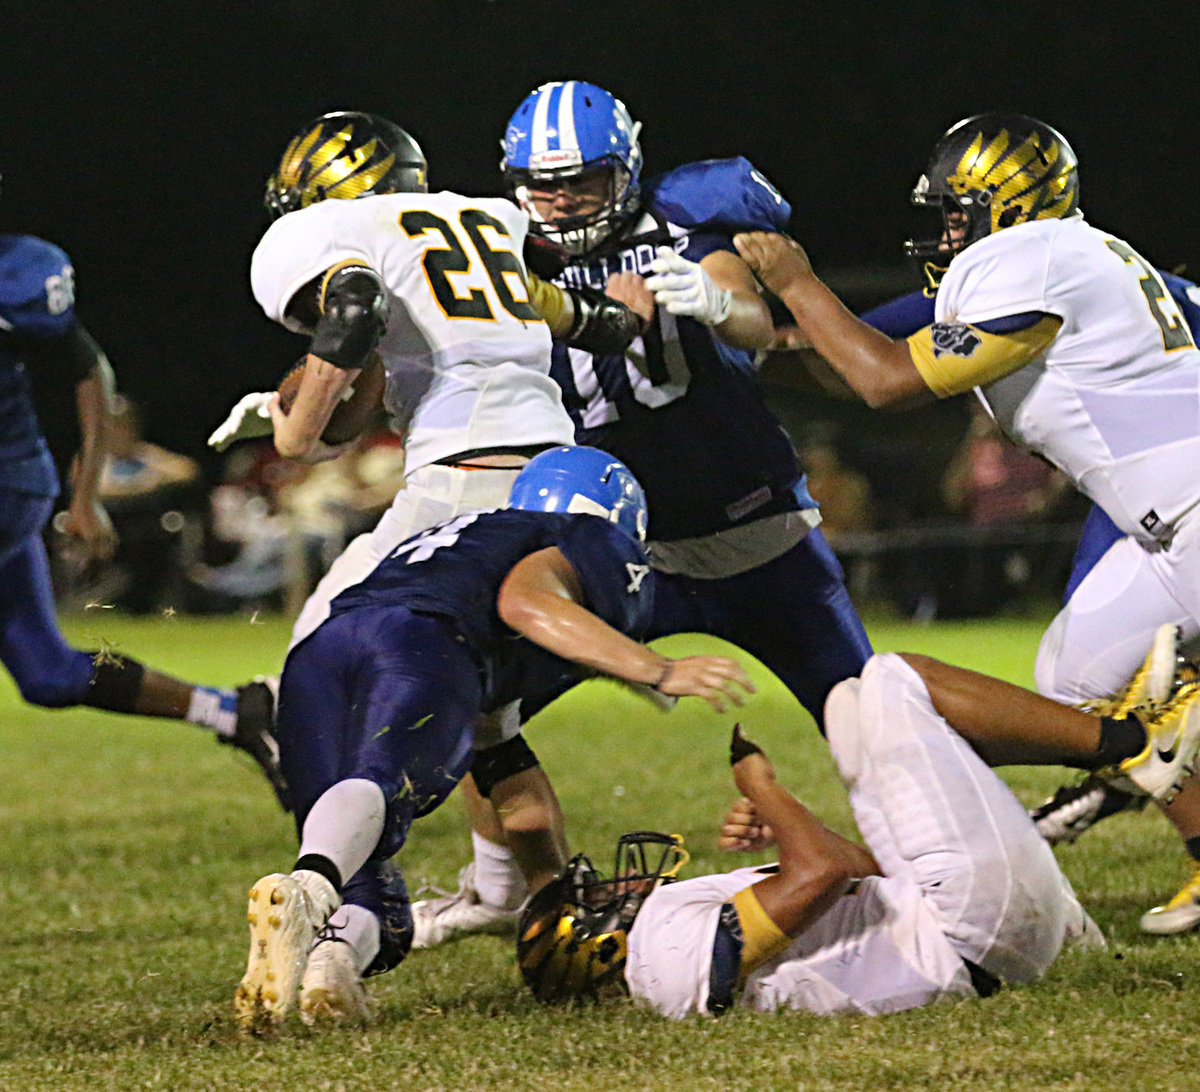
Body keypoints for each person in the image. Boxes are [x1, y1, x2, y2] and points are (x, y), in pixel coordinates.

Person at [411, 80, 873, 947]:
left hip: (757, 536)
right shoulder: (506, 254)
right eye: (541, 183)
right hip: (630, 556)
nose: (558, 201)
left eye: (580, 181)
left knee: (872, 725)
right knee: (472, 695)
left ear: (625, 171)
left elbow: (747, 316)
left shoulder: (684, 226)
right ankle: (502, 886)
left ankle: (943, 866)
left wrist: (714, 302)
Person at [734, 113, 1200, 935]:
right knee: (1080, 683)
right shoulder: (1065, 253)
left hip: (1192, 507)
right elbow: (850, 365)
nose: (950, 230)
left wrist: (797, 279)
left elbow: (883, 381)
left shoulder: (1034, 258)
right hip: (1166, 523)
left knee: (1131, 693)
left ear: (1014, 205)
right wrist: (739, 336)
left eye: (960, 210)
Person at [233, 446, 754, 1029]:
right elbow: (526, 600)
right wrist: (656, 669)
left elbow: (506, 770)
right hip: (420, 643)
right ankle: (306, 890)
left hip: (320, 655)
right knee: (377, 787)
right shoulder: (585, 535)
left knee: (377, 893)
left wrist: (550, 890)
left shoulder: (469, 540)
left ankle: (330, 967)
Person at [518, 645, 1200, 1016]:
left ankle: (1121, 759)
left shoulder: (666, 937)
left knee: (849, 704)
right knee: (893, 678)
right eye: (600, 897)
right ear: (595, 947)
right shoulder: (659, 961)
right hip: (970, 934)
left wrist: (786, 830)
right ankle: (1134, 742)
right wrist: (763, 788)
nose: (619, 882)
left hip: (968, 924)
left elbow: (851, 865)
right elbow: (823, 873)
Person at [0, 192, 287, 807]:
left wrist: (87, 494)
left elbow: (87, 369)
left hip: (9, 486)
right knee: (49, 673)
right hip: (18, 487)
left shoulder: (17, 272)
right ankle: (237, 711)